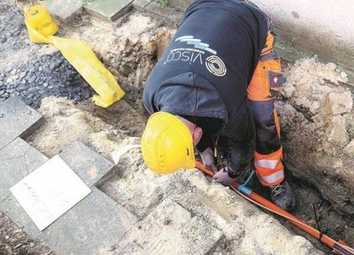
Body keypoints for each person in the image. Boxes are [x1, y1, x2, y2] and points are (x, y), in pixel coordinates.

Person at [141, 0, 296, 211]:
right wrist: (205, 150)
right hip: (203, 10)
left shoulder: (226, 109)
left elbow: (244, 140)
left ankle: (274, 181)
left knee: (262, 119)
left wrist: (232, 172)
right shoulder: (151, 95)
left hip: (247, 19)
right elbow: (190, 120)